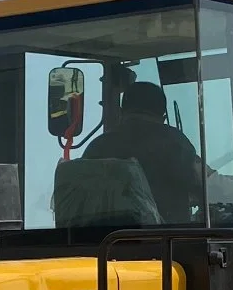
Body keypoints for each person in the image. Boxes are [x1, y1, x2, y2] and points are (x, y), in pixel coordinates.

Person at [81, 80, 203, 224]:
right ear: (163, 117)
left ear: (121, 112)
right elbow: (204, 185)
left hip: (100, 242)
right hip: (167, 241)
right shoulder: (176, 144)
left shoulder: (96, 147)